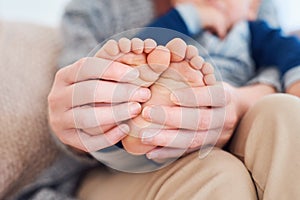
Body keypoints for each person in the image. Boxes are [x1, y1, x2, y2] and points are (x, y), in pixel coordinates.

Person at [15, 0, 300, 199]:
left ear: (254, 6)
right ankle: (145, 119)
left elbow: (288, 54)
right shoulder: (107, 11)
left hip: (234, 123)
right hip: (134, 156)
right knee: (213, 172)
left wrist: (236, 101)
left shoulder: (255, 30)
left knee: (287, 111)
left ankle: (168, 108)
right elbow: (147, 43)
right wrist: (191, 16)